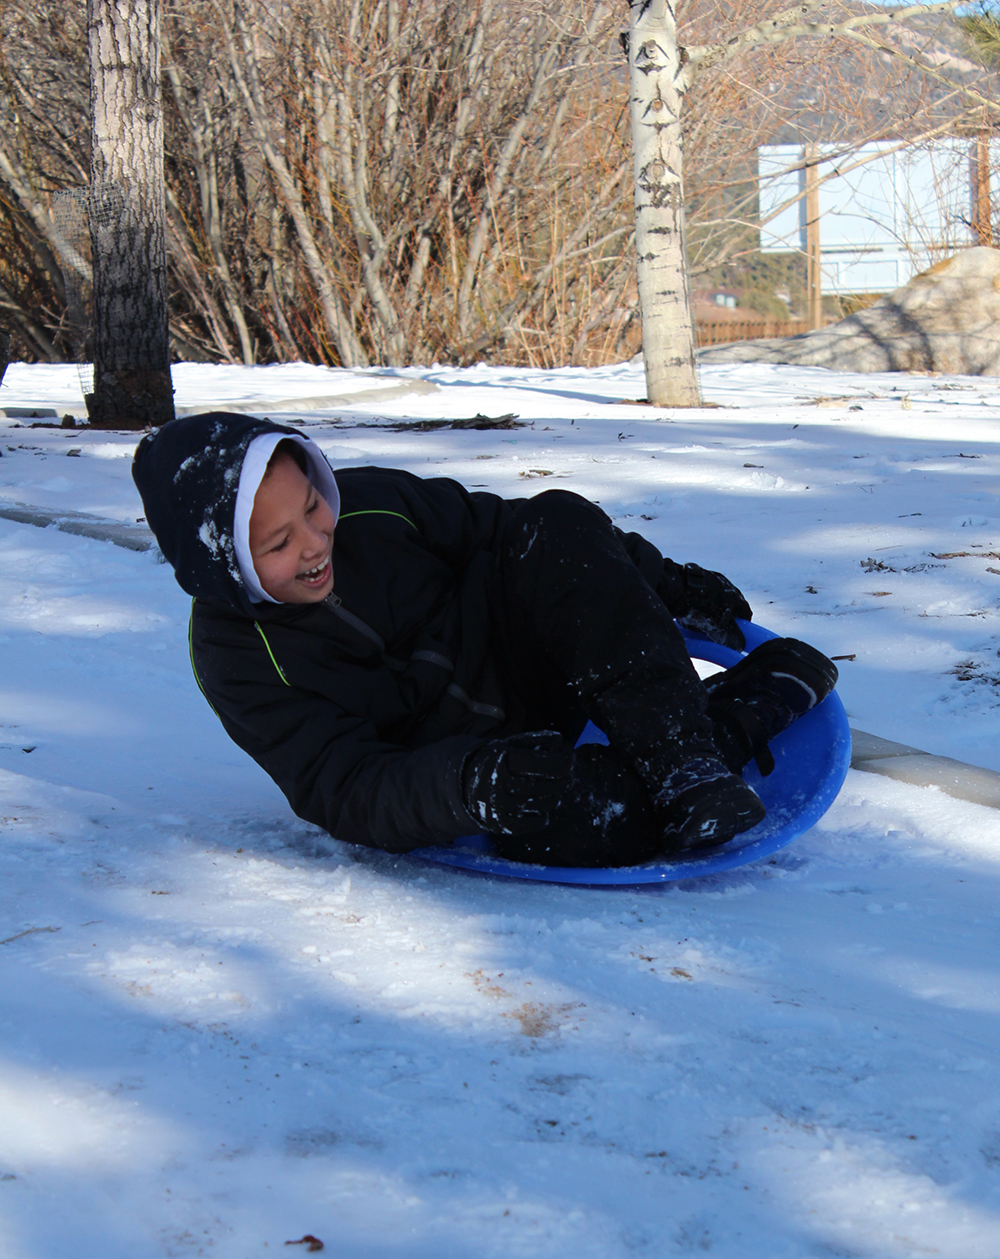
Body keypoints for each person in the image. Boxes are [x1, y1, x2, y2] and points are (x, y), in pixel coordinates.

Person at [132, 412, 837, 868]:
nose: (318, 542)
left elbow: (522, 531)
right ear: (224, 566)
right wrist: (466, 786)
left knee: (555, 513)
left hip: (543, 660)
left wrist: (667, 581)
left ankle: (685, 759)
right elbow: (339, 782)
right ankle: (737, 718)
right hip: (475, 763)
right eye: (279, 542)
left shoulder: (373, 502)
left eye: (313, 505)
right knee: (570, 829)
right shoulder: (235, 658)